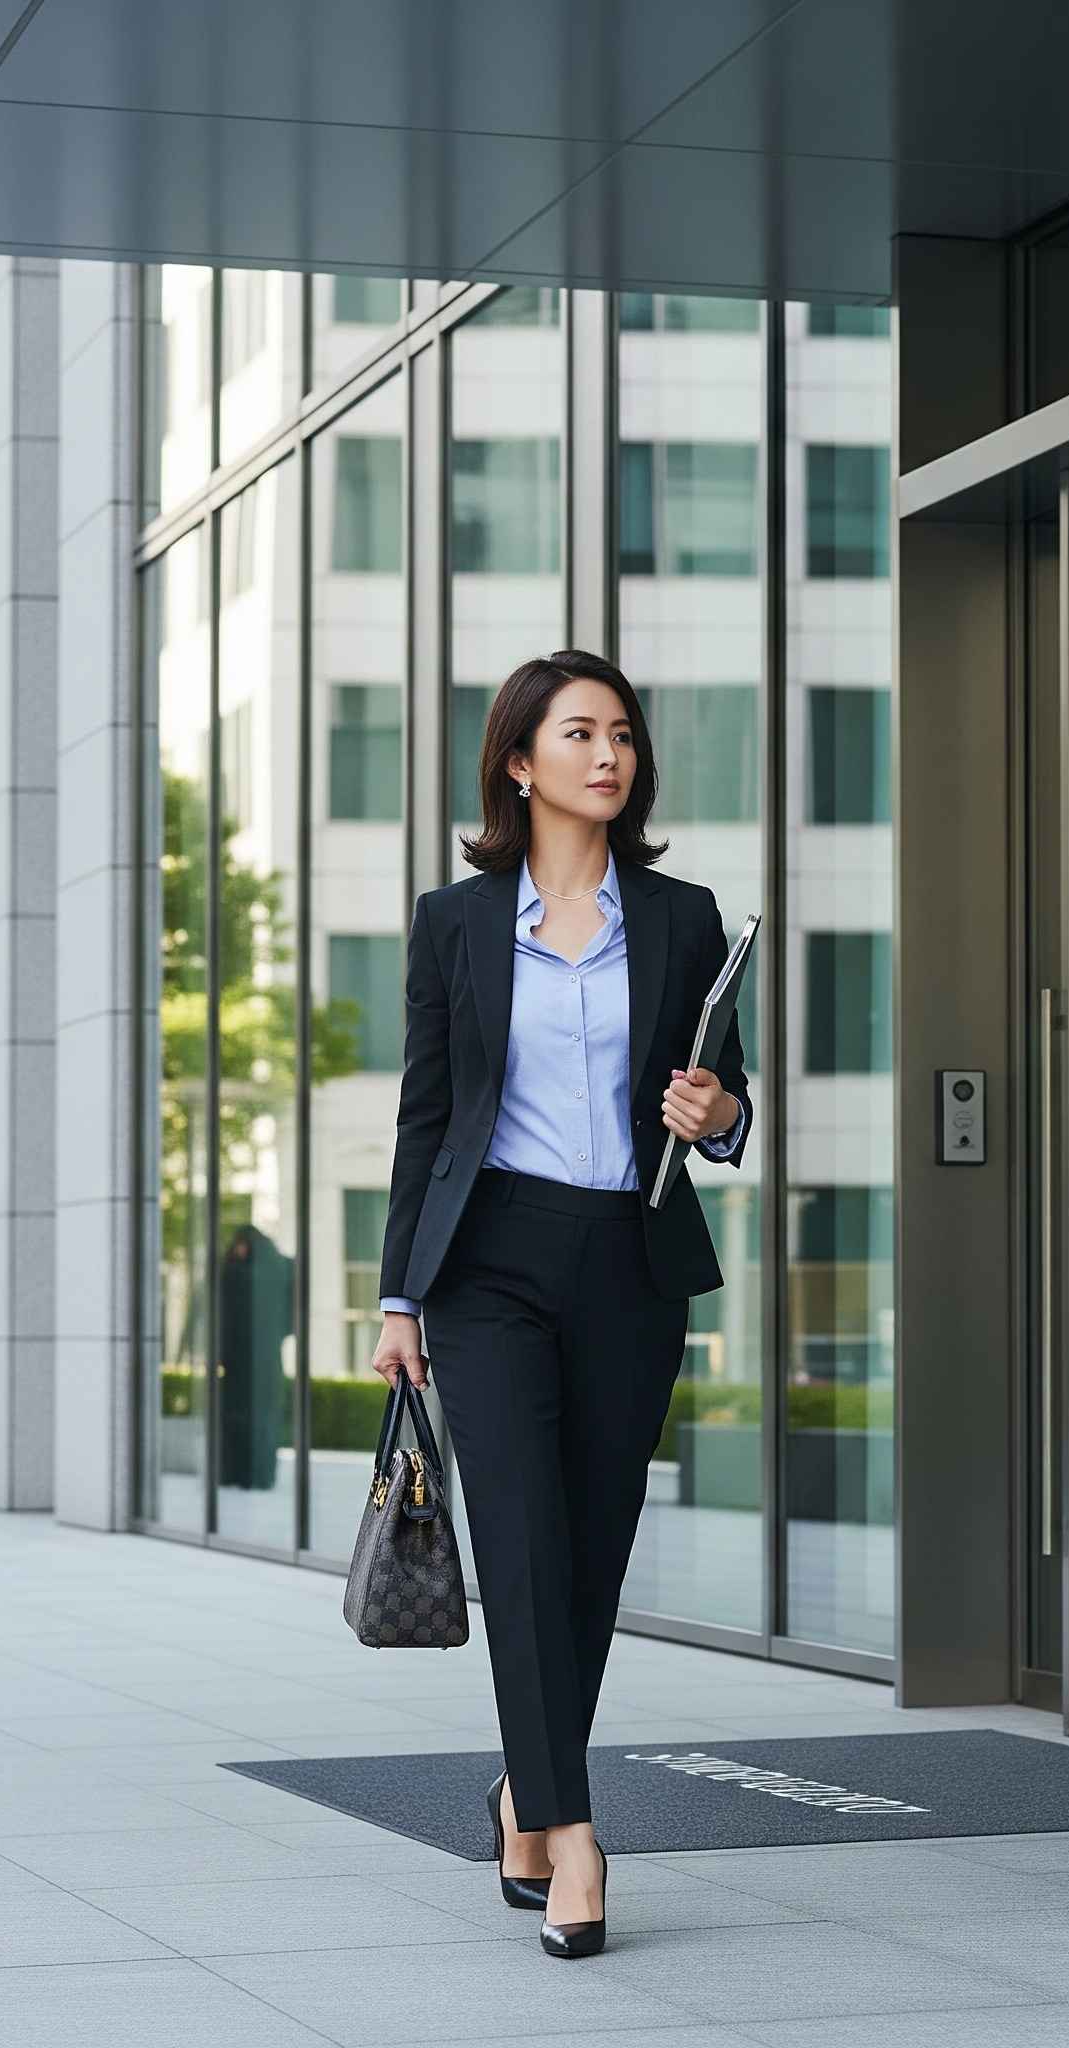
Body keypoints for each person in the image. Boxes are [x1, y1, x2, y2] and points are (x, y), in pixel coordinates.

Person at [370, 648, 751, 1960]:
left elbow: (730, 1099)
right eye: (580, 733)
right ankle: (575, 1834)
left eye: (623, 735)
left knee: (589, 1552)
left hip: (628, 1259)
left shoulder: (686, 918)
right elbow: (427, 1120)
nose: (609, 754)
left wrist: (718, 1112)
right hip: (488, 1264)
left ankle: (522, 1800)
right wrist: (400, 1296)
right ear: (520, 763)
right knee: (524, 1543)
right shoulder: (457, 923)